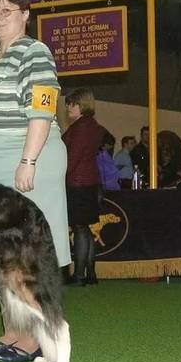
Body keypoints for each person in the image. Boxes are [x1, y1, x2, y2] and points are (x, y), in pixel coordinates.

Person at [0, 0, 70, 362]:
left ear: (26, 14)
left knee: (27, 252)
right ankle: (12, 331)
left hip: (23, 160)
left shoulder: (35, 52)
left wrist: (29, 161)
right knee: (1, 255)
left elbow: (42, 106)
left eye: (7, 10)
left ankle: (38, 337)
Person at [62, 87, 107, 287]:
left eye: (71, 104)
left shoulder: (80, 128)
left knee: (80, 228)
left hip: (77, 184)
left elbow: (72, 159)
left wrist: (60, 179)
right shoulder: (93, 126)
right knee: (86, 228)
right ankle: (91, 274)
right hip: (91, 183)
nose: (68, 108)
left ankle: (79, 275)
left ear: (81, 105)